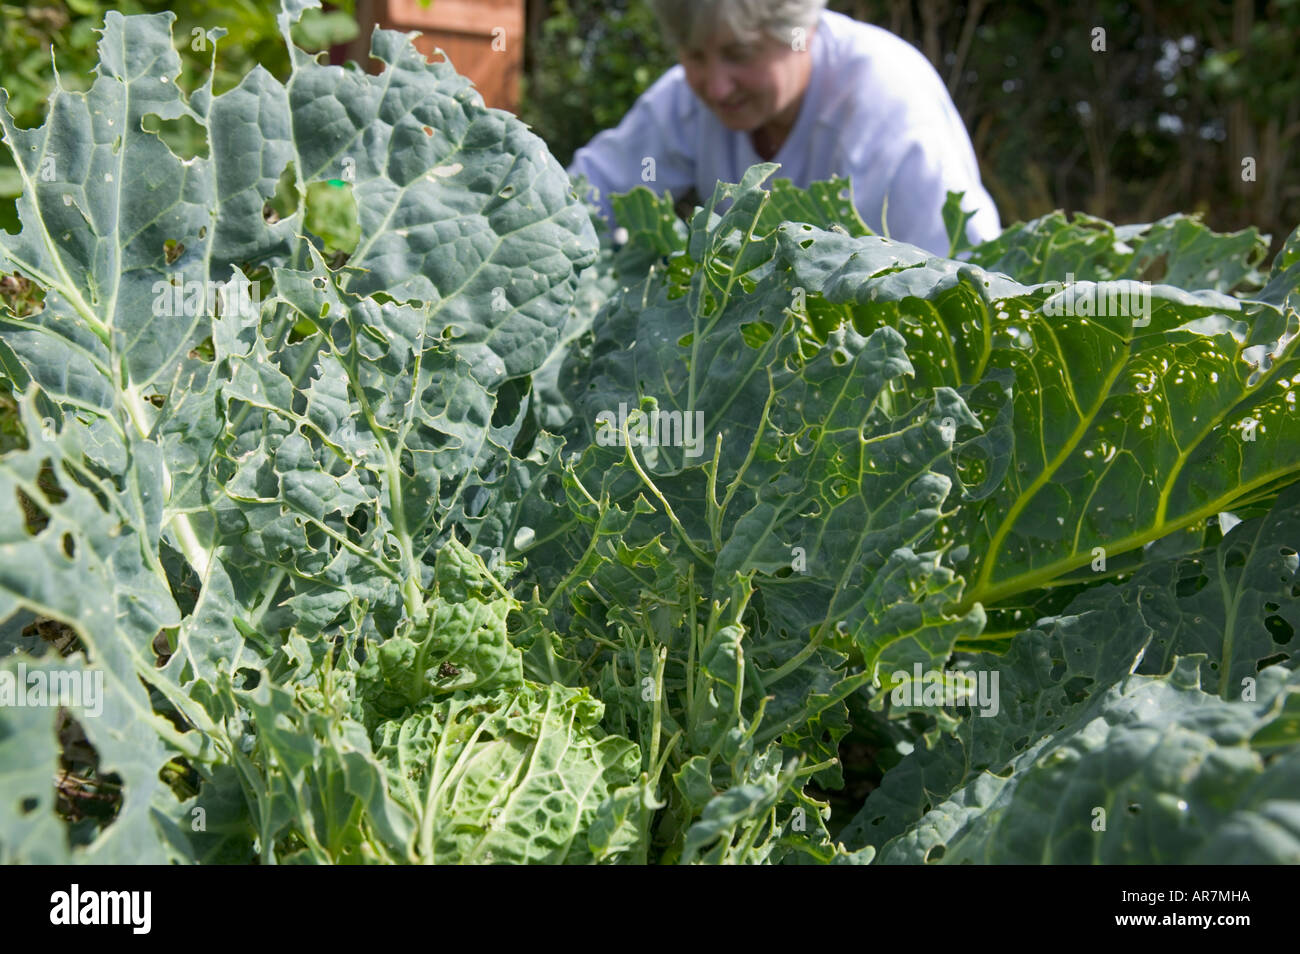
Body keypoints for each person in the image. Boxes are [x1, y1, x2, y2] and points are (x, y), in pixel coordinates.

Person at [567, 0, 1001, 257]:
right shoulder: (683, 100)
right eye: (694, 55)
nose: (715, 87)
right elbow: (585, 194)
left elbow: (965, 274)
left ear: (801, 33)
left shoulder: (887, 103)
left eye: (740, 54)